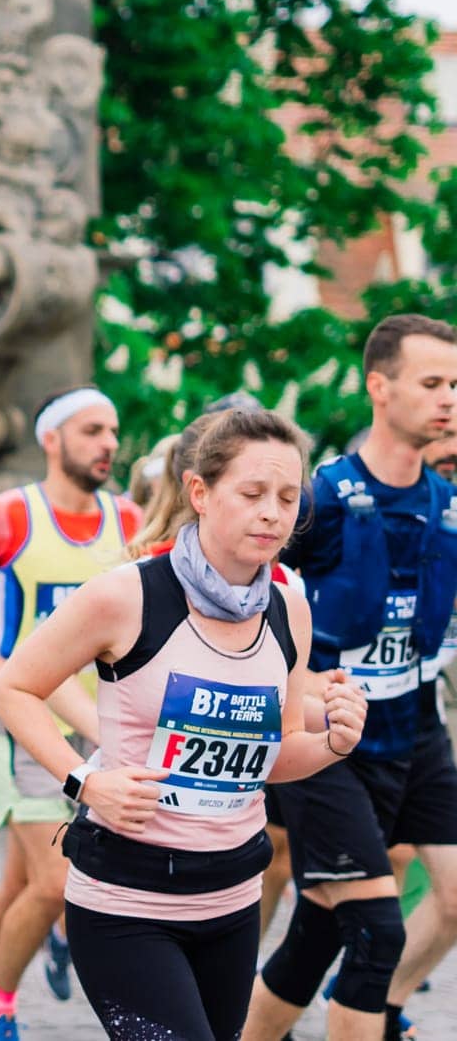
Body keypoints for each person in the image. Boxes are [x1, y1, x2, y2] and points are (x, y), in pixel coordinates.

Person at [0, 407, 368, 1040]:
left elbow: (273, 757)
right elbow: (15, 686)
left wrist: (333, 742)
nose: (273, 513)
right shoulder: (126, 595)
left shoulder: (290, 609)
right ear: (200, 492)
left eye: (286, 497)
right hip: (125, 906)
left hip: (231, 903)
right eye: (252, 494)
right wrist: (85, 780)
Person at [247, 314, 457, 1041]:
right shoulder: (324, 496)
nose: (449, 399)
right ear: (379, 386)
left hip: (417, 724)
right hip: (329, 736)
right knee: (372, 929)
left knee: (327, 927)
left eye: (455, 384)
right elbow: (240, 581)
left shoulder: (444, 497)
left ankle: (369, 1014)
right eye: (431, 383)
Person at [0, 385, 142, 1041]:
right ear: (52, 438)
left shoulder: (126, 519)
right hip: (9, 721)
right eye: (92, 429)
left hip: (92, 727)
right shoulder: (9, 514)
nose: (108, 443)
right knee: (53, 881)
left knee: (20, 885)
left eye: (113, 430)